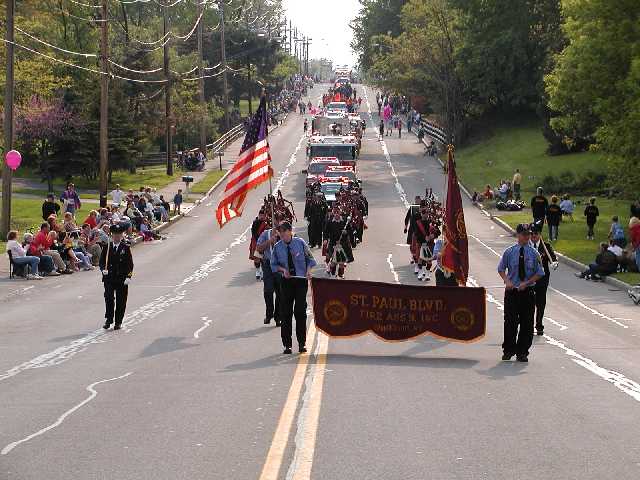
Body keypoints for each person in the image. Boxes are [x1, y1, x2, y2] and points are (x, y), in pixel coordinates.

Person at [497, 223, 545, 362]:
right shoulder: (509, 251)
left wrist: (527, 283)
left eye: (528, 234)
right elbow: (501, 269)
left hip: (527, 292)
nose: (527, 237)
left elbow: (539, 273)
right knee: (510, 322)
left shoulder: (534, 253)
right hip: (512, 292)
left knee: (527, 323)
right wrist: (507, 281)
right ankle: (508, 350)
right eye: (524, 234)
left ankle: (522, 351)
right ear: (518, 235)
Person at [271, 222, 316, 354]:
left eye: (285, 231)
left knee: (300, 312)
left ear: (290, 231)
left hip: (301, 281)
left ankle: (302, 343)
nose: (283, 234)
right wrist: (282, 270)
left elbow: (310, 259)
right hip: (286, 282)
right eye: (281, 232)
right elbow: (273, 265)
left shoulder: (300, 243)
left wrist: (308, 271)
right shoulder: (277, 247)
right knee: (286, 313)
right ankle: (287, 345)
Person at [99, 224, 134, 330]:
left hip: (121, 278)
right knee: (109, 298)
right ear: (112, 235)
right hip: (109, 278)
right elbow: (101, 262)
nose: (117, 237)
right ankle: (109, 319)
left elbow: (130, 264)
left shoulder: (125, 248)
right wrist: (102, 270)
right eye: (115, 235)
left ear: (122, 236)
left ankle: (118, 321)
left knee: (121, 300)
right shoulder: (107, 247)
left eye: (119, 235)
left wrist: (128, 276)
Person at [530, 224, 557, 335]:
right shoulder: (526, 246)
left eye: (535, 234)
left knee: (541, 303)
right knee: (529, 303)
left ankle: (539, 325)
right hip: (529, 280)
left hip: (542, 280)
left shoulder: (546, 246)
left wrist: (554, 264)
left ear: (539, 235)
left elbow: (553, 259)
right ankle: (529, 325)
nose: (533, 236)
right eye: (531, 234)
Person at [257, 216, 283, 326]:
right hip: (268, 264)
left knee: (280, 293)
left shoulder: (285, 235)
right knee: (268, 290)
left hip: (280, 265)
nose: (277, 223)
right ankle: (269, 314)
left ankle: (278, 317)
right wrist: (269, 241)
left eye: (279, 221)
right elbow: (258, 248)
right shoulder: (265, 234)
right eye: (276, 221)